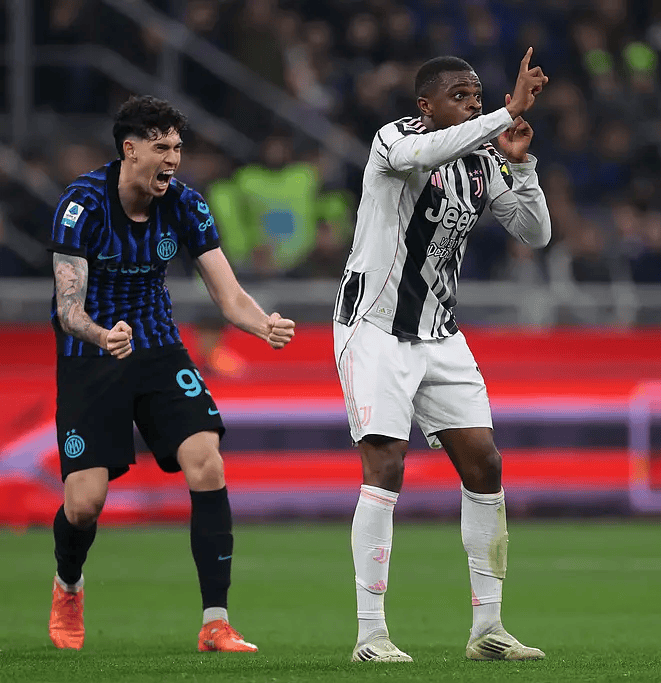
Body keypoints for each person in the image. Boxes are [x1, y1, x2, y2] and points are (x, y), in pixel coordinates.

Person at [47, 95, 296, 652]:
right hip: (92, 354)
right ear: (130, 149)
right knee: (84, 504)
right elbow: (67, 308)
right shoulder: (82, 204)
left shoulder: (185, 204)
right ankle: (68, 584)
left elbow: (228, 294)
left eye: (178, 147)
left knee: (206, 462)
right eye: (162, 147)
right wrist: (102, 335)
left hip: (158, 348)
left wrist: (262, 324)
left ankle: (216, 622)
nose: (173, 159)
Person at [333, 50, 550, 663]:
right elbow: (422, 155)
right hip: (375, 327)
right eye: (460, 96)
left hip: (440, 331)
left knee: (485, 464)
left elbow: (535, 233)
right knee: (386, 465)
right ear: (425, 105)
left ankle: (488, 630)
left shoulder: (481, 161)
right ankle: (371, 635)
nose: (473, 105)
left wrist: (522, 166)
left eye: (477, 96)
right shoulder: (393, 141)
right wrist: (504, 112)